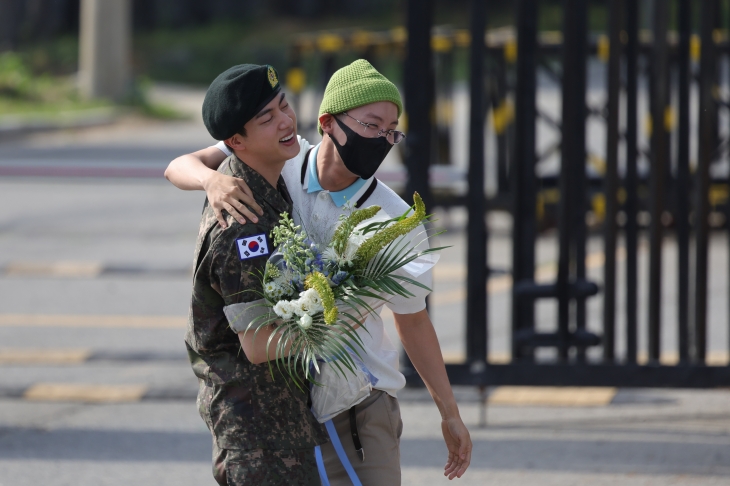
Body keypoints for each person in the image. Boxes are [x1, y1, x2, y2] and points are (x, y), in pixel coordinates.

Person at [166, 59, 472, 484]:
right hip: (286, 412)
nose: (383, 139)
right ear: (329, 122)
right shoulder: (280, 165)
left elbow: (414, 321)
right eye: (371, 125)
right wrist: (209, 181)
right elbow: (181, 164)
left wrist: (449, 412)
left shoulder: (395, 222)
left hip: (359, 408)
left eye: (391, 130)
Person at [182, 63, 326, 486]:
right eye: (267, 118)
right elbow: (260, 344)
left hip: (279, 425)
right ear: (235, 142)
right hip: (259, 438)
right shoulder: (242, 225)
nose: (285, 121)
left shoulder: (264, 185)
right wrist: (337, 320)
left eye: (284, 105)